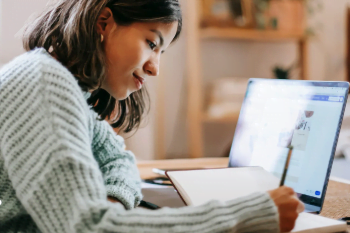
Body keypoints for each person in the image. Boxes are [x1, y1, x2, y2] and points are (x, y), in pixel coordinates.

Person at [0, 0, 304, 232]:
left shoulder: (66, 89)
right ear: (104, 23)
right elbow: (89, 228)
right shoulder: (42, 82)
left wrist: (112, 203)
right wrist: (244, 216)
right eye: (151, 43)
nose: (154, 68)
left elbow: (118, 161)